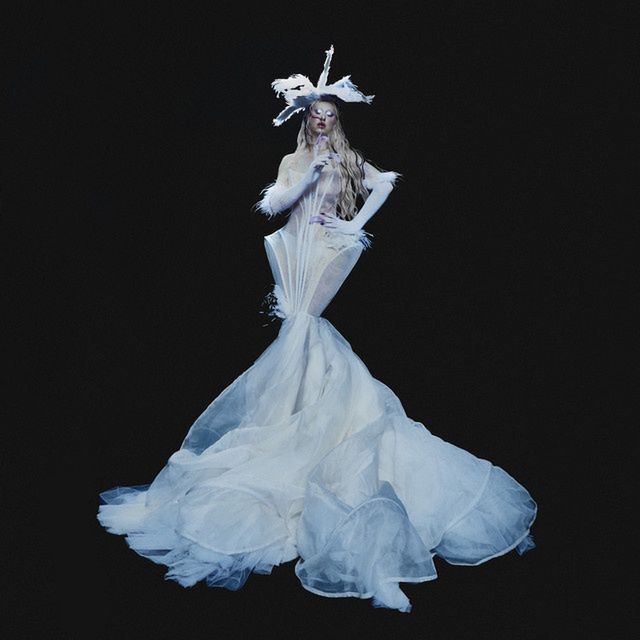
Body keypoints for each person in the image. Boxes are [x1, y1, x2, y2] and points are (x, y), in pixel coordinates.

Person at [97, 46, 536, 613]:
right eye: (316, 114)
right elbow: (274, 204)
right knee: (298, 329)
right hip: (294, 247)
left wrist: (353, 225)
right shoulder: (293, 160)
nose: (323, 121)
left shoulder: (348, 158)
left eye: (330, 114)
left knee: (304, 326)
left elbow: (385, 184)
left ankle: (307, 422)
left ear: (337, 119)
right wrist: (310, 178)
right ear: (306, 118)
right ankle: (294, 417)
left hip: (326, 248)